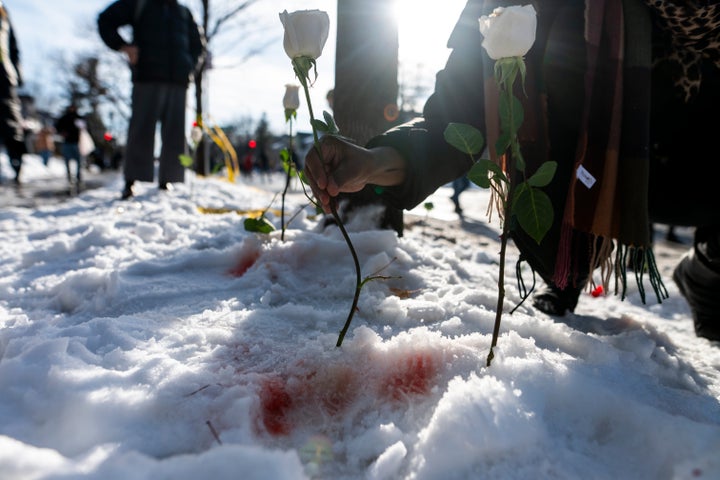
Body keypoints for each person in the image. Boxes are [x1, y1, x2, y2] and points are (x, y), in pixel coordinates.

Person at [304, 1, 720, 342]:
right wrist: (376, 160)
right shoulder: (506, 7)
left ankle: (709, 268)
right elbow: (452, 118)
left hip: (691, 174)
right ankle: (563, 273)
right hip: (582, 188)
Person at [97, 0, 205, 200]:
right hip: (147, 75)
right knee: (141, 128)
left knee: (175, 133)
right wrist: (123, 46)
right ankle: (131, 180)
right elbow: (106, 20)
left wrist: (189, 67)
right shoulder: (139, 4)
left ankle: (168, 180)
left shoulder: (183, 12)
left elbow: (199, 45)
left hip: (178, 81)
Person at [0, 2, 26, 185]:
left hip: (4, 76)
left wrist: (17, 72)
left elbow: (13, 46)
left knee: (10, 125)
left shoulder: (4, 12)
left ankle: (17, 163)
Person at [55, 104, 86, 189]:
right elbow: (57, 126)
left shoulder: (79, 117)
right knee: (67, 161)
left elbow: (84, 128)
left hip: (77, 142)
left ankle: (78, 176)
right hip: (67, 142)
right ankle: (69, 177)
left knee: (79, 161)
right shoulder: (64, 118)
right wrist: (61, 132)